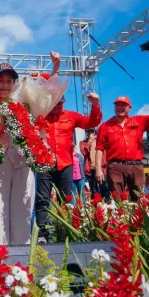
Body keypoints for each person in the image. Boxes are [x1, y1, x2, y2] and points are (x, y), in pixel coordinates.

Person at [35, 93, 101, 243]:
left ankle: (65, 231)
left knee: (66, 199)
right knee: (42, 199)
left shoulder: (72, 116)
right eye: (54, 102)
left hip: (66, 163)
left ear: (64, 102)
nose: (57, 106)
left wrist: (95, 105)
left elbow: (91, 122)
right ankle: (42, 234)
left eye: (60, 103)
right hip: (45, 163)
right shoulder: (41, 114)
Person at [0, 63, 36, 246]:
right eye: (0, 81)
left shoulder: (25, 105)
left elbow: (47, 99)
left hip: (22, 164)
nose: (5, 85)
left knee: (22, 212)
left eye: (9, 81)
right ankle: (0, 261)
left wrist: (36, 81)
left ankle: (22, 261)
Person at [96, 92, 149, 200]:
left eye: (123, 105)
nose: (120, 107)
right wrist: (98, 169)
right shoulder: (105, 126)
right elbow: (99, 149)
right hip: (115, 167)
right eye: (117, 105)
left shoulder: (139, 121)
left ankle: (140, 216)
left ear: (130, 108)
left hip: (136, 166)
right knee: (117, 199)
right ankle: (120, 217)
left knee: (140, 199)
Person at [79, 129, 108, 198]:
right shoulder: (83, 143)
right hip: (90, 170)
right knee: (94, 191)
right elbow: (84, 152)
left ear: (94, 132)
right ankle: (96, 206)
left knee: (104, 189)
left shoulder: (100, 141)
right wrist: (89, 141)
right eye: (88, 131)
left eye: (91, 131)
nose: (89, 133)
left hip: (101, 169)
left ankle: (107, 206)